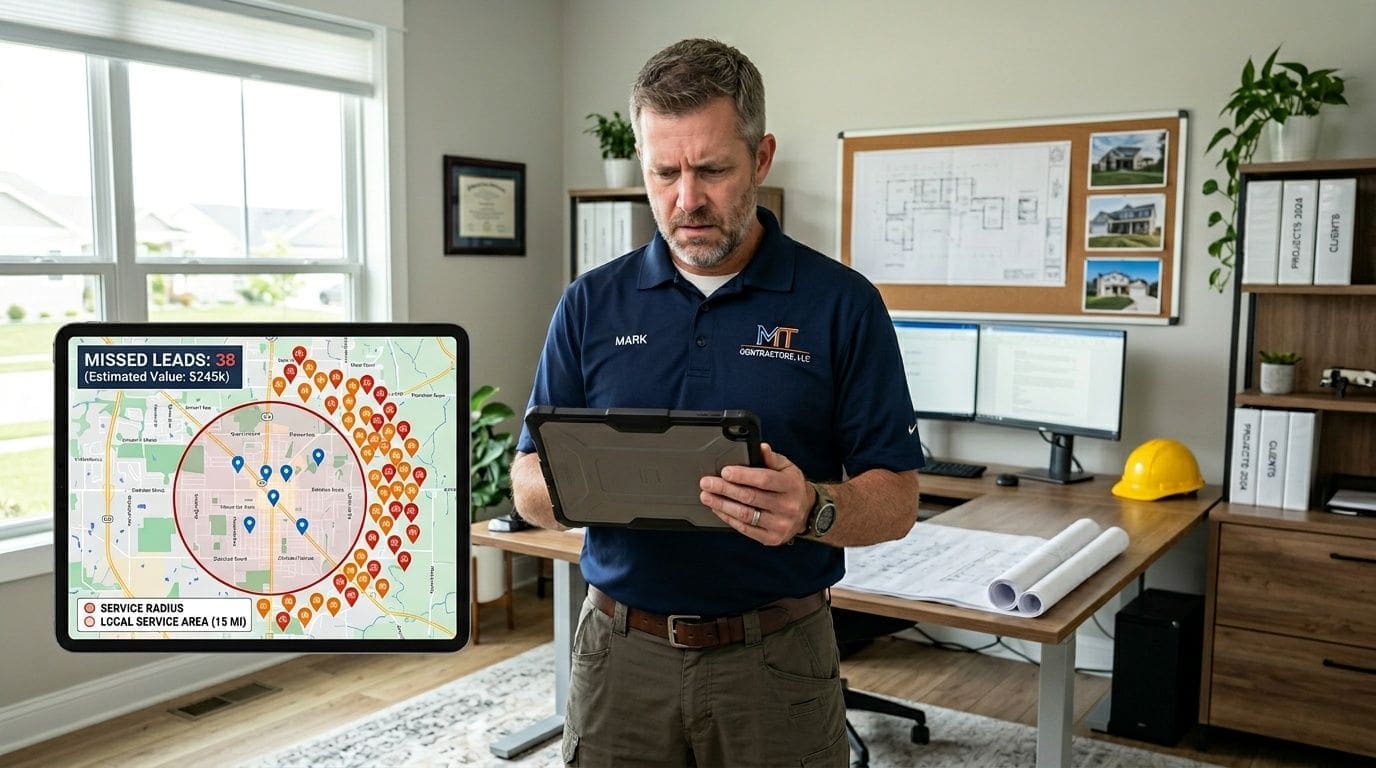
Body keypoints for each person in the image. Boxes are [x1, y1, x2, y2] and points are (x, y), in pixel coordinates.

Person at [512, 38, 923, 767]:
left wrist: (813, 509)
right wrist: (589, 481)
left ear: (760, 159)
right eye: (663, 172)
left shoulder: (842, 305)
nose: (685, 199)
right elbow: (527, 485)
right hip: (618, 654)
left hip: (778, 659)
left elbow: (895, 501)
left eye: (711, 170)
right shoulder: (589, 303)